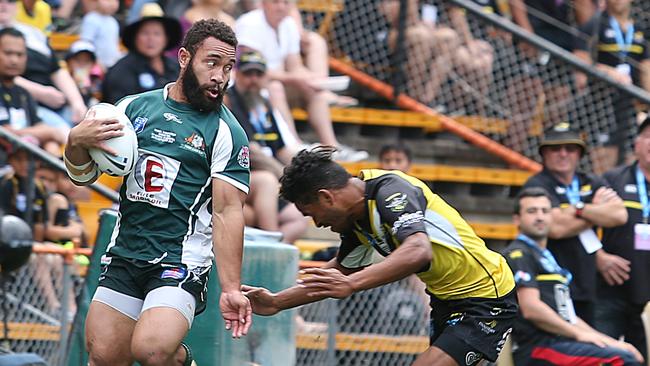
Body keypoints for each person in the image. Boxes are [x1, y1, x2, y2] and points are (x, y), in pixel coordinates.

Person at [64, 19, 252, 365]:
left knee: (151, 350)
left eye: (228, 67)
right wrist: (75, 142)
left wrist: (231, 288)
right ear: (184, 58)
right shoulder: (131, 109)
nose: (220, 77)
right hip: (125, 253)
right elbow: (81, 176)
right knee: (104, 356)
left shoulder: (227, 131)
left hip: (179, 261)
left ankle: (180, 360)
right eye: (211, 63)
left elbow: (228, 211)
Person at [243, 146, 518, 366]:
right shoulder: (358, 221)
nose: (316, 223)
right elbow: (338, 274)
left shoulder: (390, 191)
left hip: (486, 298)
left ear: (327, 197)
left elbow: (419, 250)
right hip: (447, 302)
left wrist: (352, 284)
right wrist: (277, 301)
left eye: (311, 213)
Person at [503, 187, 643, 365]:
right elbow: (531, 308)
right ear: (517, 219)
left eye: (545, 211)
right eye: (532, 211)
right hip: (537, 347)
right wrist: (578, 334)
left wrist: (612, 342)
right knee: (620, 360)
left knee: (623, 352)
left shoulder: (547, 256)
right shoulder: (519, 253)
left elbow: (568, 316)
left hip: (562, 343)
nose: (539, 217)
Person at [235, 0, 368, 162]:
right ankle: (295, 145)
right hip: (253, 89)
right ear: (263, 3)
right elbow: (251, 71)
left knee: (313, 89)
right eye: (275, 2)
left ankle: (331, 147)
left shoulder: (288, 24)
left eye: (285, 3)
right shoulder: (249, 23)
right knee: (275, 87)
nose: (281, 7)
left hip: (278, 84)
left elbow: (295, 66)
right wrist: (296, 78)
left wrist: (313, 81)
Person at [522, 122, 628, 325]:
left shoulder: (591, 180)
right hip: (550, 281)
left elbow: (619, 215)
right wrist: (596, 210)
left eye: (570, 149)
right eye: (555, 148)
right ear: (544, 153)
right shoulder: (537, 184)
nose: (563, 154)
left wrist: (578, 209)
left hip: (588, 282)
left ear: (579, 154)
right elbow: (555, 228)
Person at [595, 117, 650, 359]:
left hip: (648, 301)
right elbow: (582, 225)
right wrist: (599, 257)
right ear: (637, 144)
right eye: (649, 136)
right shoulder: (613, 179)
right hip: (612, 292)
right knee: (602, 356)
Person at [573, 0, 650, 172]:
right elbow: (580, 61)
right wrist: (607, 72)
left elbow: (646, 67)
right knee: (605, 160)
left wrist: (646, 102)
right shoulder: (595, 24)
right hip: (602, 102)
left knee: (634, 155)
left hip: (630, 103)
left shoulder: (639, 29)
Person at [101, 3, 181, 104]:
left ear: (166, 39)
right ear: (135, 38)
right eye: (145, 33)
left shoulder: (176, 67)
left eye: (157, 33)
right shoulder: (121, 70)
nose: (151, 39)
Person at [0, 27, 65, 149]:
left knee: (52, 145)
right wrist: (50, 133)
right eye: (8, 53)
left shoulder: (23, 93)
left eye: (20, 54)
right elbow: (5, 134)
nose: (14, 60)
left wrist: (49, 138)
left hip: (26, 161)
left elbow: (40, 126)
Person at [79, 0, 122, 69]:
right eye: (108, 0)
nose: (112, 4)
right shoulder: (91, 19)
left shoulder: (113, 21)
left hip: (112, 64)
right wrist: (97, 62)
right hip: (95, 66)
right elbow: (86, 44)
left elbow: (115, 44)